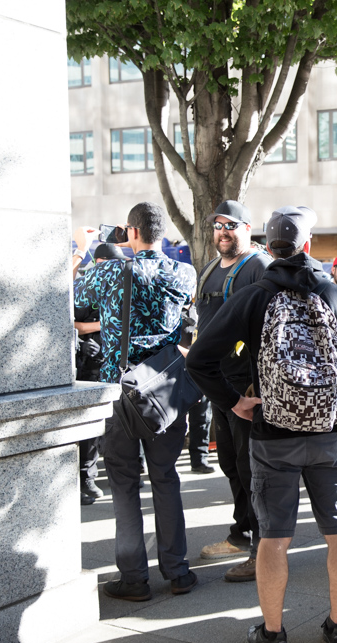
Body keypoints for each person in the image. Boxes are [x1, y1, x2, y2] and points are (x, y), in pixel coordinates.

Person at [187, 205, 337, 643]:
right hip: (329, 434)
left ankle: (272, 636)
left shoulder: (253, 297)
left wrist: (234, 401)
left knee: (273, 537)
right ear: (309, 245)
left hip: (271, 433)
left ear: (268, 246)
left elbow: (199, 359)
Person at [73, 202, 198, 601]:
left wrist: (84, 251)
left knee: (124, 485)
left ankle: (134, 579)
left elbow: (71, 298)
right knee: (166, 478)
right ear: (161, 233)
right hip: (164, 392)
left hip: (119, 393)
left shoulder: (109, 271)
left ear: (131, 231)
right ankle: (178, 572)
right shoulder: (184, 273)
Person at [193, 200, 273, 583]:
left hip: (247, 385)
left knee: (250, 465)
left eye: (231, 225)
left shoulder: (259, 267)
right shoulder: (210, 269)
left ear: (247, 228)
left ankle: (263, 547)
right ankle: (241, 533)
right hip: (219, 385)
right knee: (229, 462)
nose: (223, 232)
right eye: (218, 225)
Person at [74, 242, 127, 505]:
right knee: (90, 427)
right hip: (90, 364)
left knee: (119, 422)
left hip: (114, 363)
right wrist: (102, 325)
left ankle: (124, 470)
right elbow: (72, 322)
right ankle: (86, 477)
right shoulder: (87, 285)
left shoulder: (123, 285)